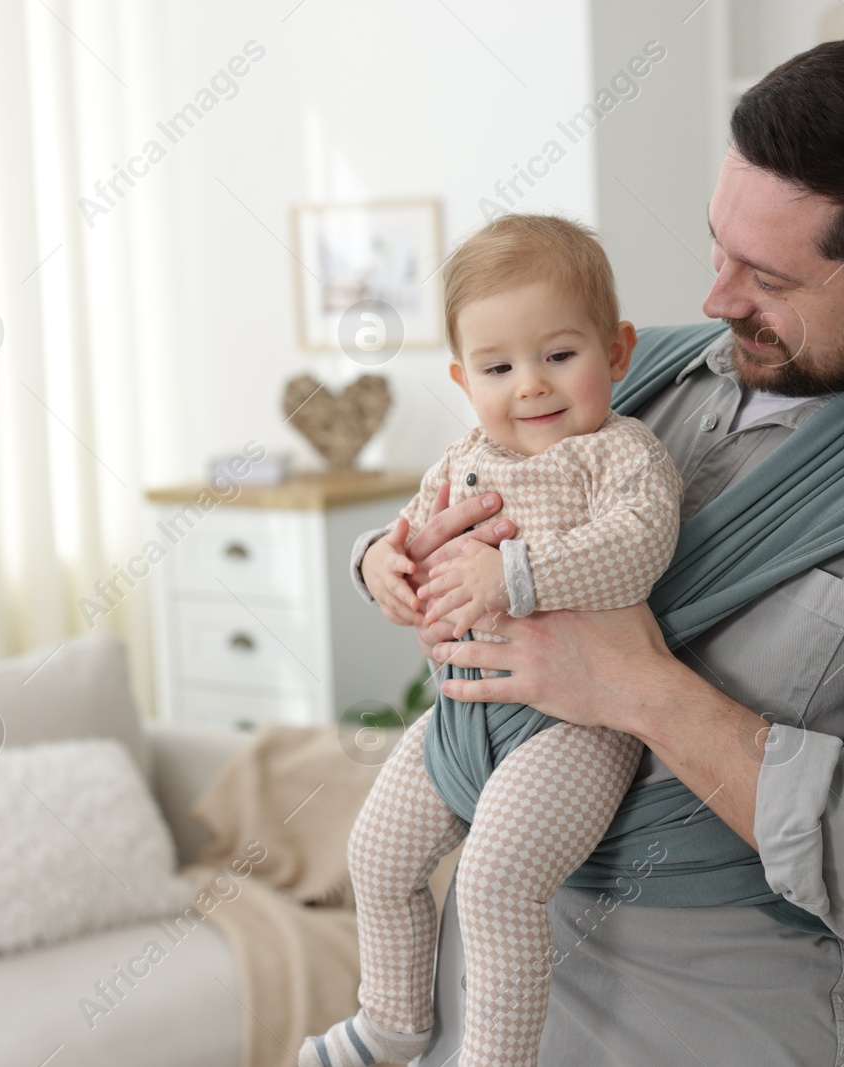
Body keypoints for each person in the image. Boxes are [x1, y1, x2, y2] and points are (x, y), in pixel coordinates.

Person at [351, 38, 844, 1067]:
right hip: (476, 1010)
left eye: (769, 276)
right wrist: (407, 560)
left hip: (708, 1022)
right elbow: (472, 541)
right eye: (717, 249)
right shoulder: (621, 376)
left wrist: (645, 690)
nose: (715, 299)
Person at [302, 215, 684, 1067]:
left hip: (573, 726)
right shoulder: (460, 460)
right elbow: (400, 533)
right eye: (498, 367)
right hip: (459, 714)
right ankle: (393, 1018)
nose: (531, 388)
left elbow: (638, 541)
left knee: (495, 883)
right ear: (461, 378)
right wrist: (376, 564)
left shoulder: (618, 455)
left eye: (559, 355)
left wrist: (513, 576)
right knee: (375, 853)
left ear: (617, 352)